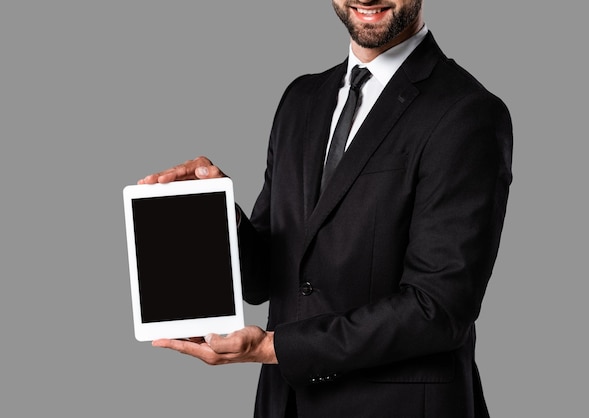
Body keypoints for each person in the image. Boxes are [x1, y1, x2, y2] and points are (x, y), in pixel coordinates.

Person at [140, 1, 513, 417]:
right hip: (286, 405)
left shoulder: (467, 112)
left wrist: (272, 347)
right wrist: (217, 213)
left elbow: (438, 309)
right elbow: (268, 277)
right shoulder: (301, 99)